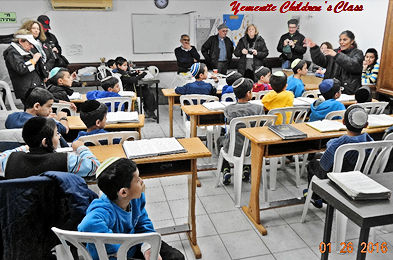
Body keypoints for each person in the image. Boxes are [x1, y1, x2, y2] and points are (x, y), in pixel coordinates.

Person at [78, 157, 185, 260]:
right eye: (137, 180)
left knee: (176, 257)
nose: (141, 181)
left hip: (134, 244)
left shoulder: (136, 197)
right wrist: (120, 249)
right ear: (123, 192)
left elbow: (142, 222)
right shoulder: (103, 209)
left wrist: (148, 247)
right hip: (112, 256)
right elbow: (86, 225)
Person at [305, 105, 373, 207]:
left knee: (313, 164)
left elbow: (324, 164)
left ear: (343, 122)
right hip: (359, 176)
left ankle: (316, 197)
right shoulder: (370, 140)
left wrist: (331, 143)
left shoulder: (342, 142)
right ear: (366, 125)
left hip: (338, 177)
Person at [0, 116, 100, 179]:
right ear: (45, 142)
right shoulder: (66, 160)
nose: (59, 136)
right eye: (56, 134)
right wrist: (81, 148)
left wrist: (24, 147)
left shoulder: (9, 160)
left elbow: (3, 155)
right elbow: (95, 166)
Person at [218, 78, 264, 185]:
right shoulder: (259, 108)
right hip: (253, 149)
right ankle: (246, 168)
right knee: (247, 140)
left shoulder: (228, 109)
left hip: (234, 149)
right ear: (248, 93)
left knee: (221, 140)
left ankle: (226, 170)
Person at [5, 87, 69, 147]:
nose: (51, 110)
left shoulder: (11, 118)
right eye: (49, 106)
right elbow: (65, 129)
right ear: (37, 106)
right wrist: (63, 118)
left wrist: (44, 118)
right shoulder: (46, 123)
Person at [305, 30, 364, 95]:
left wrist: (336, 55)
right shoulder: (335, 52)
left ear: (352, 41)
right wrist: (314, 48)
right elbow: (321, 62)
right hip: (331, 90)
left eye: (344, 40)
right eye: (340, 40)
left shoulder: (358, 53)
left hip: (348, 91)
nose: (341, 42)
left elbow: (353, 65)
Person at [3, 29, 46, 100]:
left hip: (35, 89)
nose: (32, 46)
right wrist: (34, 60)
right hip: (27, 91)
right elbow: (21, 69)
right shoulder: (12, 52)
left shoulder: (25, 51)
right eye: (30, 43)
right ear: (20, 41)